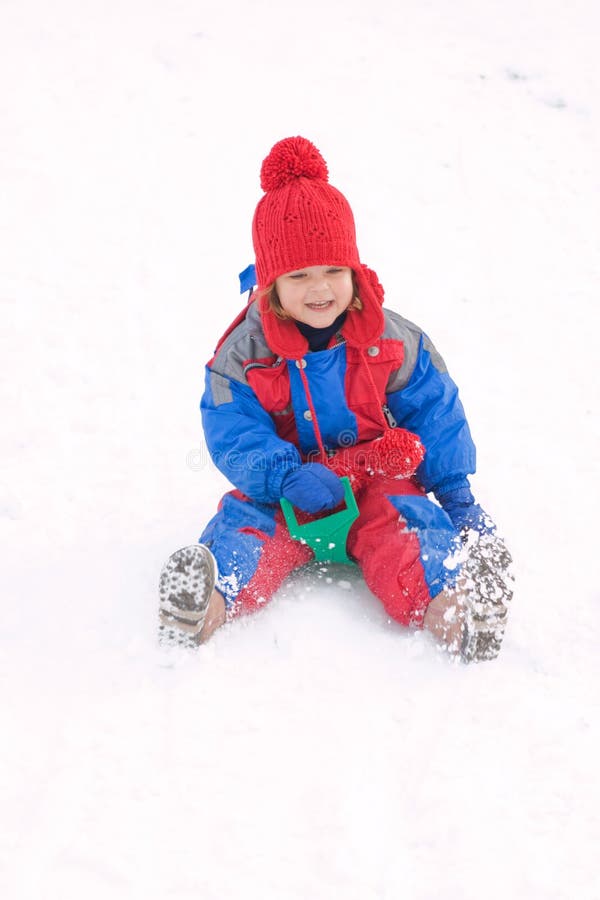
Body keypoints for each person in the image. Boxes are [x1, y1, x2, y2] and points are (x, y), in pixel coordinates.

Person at [159, 136, 513, 662]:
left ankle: (455, 610)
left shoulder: (393, 340)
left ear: (354, 271)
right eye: (298, 275)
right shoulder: (243, 356)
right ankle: (203, 604)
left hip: (376, 482)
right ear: (269, 284)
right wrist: (280, 476)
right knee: (244, 530)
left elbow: (435, 408)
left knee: (412, 530)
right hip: (284, 492)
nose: (318, 288)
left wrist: (456, 493)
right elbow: (231, 429)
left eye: (332, 271)